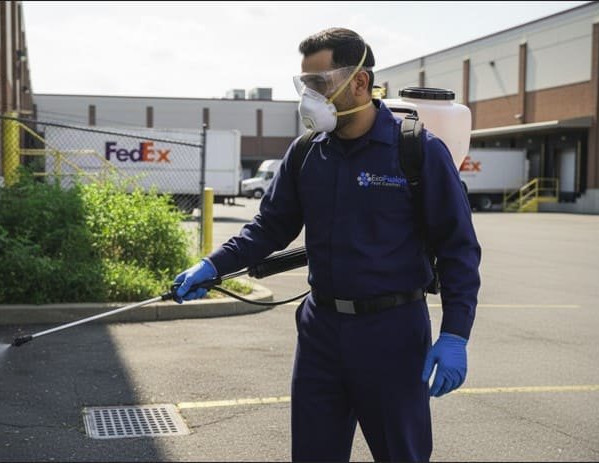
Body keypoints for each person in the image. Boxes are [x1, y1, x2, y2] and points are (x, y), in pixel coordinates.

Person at [173, 27, 481, 462]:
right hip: (322, 333)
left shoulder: (417, 151)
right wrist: (213, 265)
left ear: (359, 81)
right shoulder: (306, 153)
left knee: (401, 454)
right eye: (305, 84)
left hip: (392, 334)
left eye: (320, 83)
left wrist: (455, 334)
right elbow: (268, 228)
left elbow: (458, 248)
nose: (309, 97)